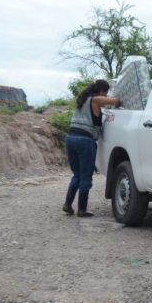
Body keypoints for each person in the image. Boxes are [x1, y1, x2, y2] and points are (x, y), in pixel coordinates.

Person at [62, 80, 121, 217]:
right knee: (86, 177)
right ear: (101, 91)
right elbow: (116, 101)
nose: (106, 95)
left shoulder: (82, 101)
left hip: (70, 138)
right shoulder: (95, 99)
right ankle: (82, 210)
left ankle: (68, 204)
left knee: (77, 174)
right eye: (106, 92)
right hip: (85, 141)